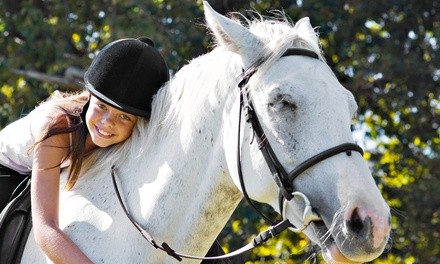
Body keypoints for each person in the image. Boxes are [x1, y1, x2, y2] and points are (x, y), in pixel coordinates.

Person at [0, 37, 169, 263]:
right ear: (89, 97)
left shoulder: (126, 139)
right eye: (102, 106)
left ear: (138, 123)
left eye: (124, 116)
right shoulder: (58, 129)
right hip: (7, 170)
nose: (108, 122)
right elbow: (45, 229)